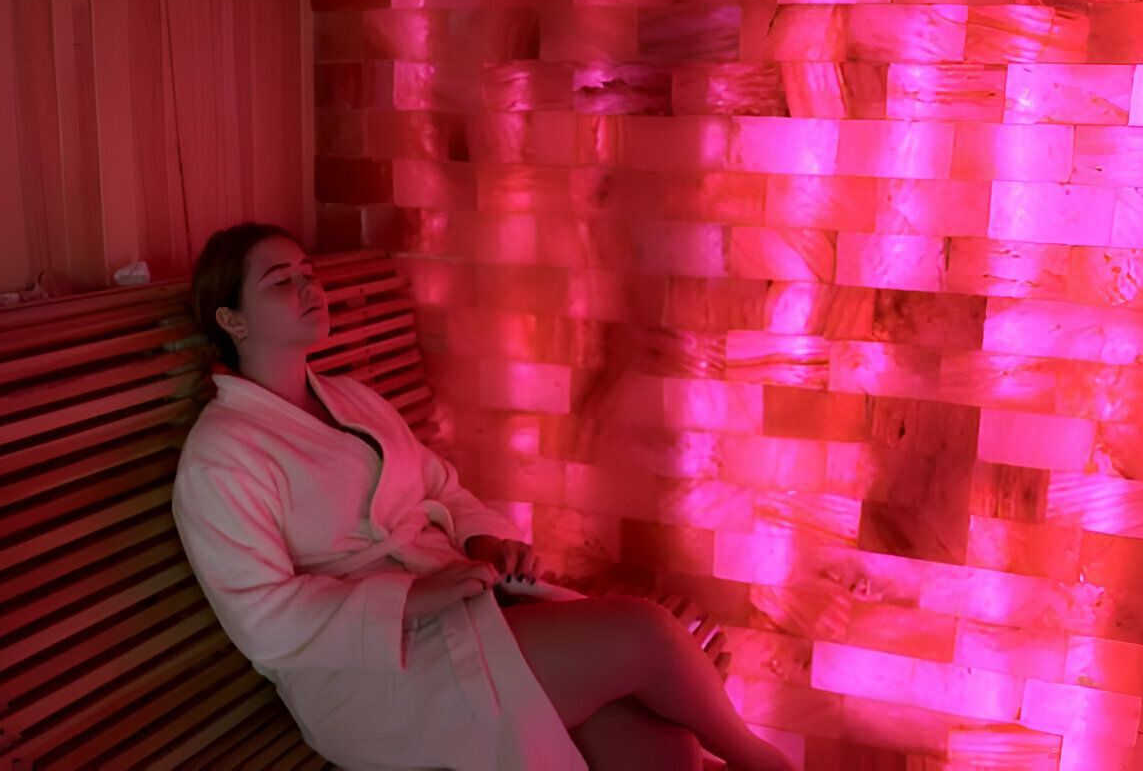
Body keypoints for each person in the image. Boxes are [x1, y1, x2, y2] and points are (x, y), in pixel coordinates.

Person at [171, 223, 794, 771]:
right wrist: (410, 600)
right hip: (367, 676)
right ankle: (758, 761)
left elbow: (439, 484)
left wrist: (482, 538)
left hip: (460, 610)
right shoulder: (223, 454)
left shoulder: (350, 399)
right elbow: (263, 621)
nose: (310, 287)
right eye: (283, 281)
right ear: (233, 319)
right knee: (646, 633)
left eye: (309, 273)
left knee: (655, 739)